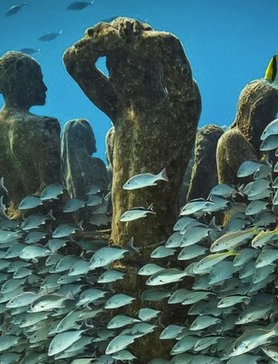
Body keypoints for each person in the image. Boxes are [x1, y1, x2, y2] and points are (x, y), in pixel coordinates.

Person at [64, 18, 201, 247]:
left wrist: (137, 38)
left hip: (159, 254)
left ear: (150, 66)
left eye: (123, 67)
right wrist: (99, 41)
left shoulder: (177, 109)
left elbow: (170, 47)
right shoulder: (120, 113)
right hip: (117, 252)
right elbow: (73, 64)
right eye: (111, 68)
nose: (114, 76)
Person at [0, 51, 63, 218]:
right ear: (22, 82)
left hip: (14, 228)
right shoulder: (45, 126)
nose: (44, 87)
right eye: (38, 79)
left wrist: (17, 219)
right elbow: (53, 188)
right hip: (52, 223)